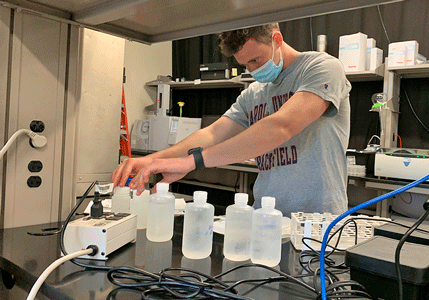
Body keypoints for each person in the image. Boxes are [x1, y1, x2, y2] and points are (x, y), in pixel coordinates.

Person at [112, 23, 351, 217]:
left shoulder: (322, 68)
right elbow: (213, 134)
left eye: (255, 60)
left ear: (277, 40)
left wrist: (192, 162)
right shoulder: (255, 93)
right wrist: (151, 160)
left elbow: (281, 126)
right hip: (266, 217)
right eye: (245, 64)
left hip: (320, 221)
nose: (252, 70)